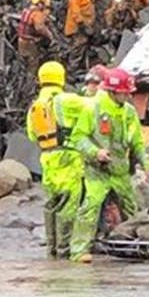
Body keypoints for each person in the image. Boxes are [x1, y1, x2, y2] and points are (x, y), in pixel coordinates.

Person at [69, 66, 148, 263]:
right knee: (90, 207)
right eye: (124, 93)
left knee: (131, 207)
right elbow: (78, 138)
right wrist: (96, 152)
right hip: (98, 171)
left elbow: (136, 141)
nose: (128, 96)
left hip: (120, 171)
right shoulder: (92, 108)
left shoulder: (128, 112)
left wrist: (146, 165)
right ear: (113, 92)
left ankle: (136, 246)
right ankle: (78, 251)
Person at [25, 61, 89, 260]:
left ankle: (51, 249)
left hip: (47, 159)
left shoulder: (35, 106)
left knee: (52, 203)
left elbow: (31, 135)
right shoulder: (67, 100)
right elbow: (94, 108)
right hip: (68, 158)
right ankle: (65, 249)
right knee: (69, 203)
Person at [64, 0, 100, 68]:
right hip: (77, 28)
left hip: (83, 27)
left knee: (82, 47)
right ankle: (72, 69)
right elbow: (75, 10)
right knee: (77, 48)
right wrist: (81, 24)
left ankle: (79, 67)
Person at [16, 0, 55, 70]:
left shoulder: (26, 10)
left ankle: (22, 78)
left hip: (21, 40)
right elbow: (40, 28)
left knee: (23, 62)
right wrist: (50, 36)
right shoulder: (37, 14)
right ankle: (31, 80)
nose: (44, 8)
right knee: (33, 63)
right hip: (29, 42)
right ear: (40, 3)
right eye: (44, 5)